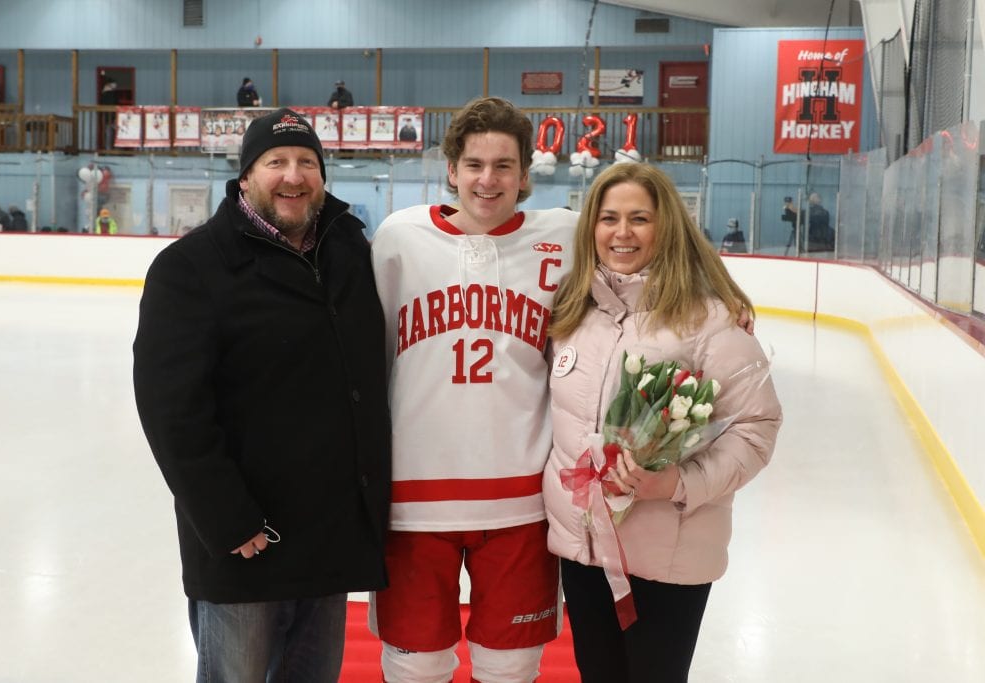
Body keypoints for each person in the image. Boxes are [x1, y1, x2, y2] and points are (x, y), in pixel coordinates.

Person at [132, 107, 391, 683]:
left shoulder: (349, 252)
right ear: (246, 175)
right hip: (249, 539)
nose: (293, 176)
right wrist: (226, 518)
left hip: (328, 533)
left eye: (306, 162)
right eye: (276, 161)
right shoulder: (190, 268)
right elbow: (172, 411)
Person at [543, 162, 782, 682]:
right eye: (608, 218)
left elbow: (756, 428)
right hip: (582, 550)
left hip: (668, 557)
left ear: (666, 226)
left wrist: (676, 483)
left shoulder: (709, 320)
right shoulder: (572, 312)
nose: (622, 232)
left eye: (639, 219)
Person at [369, 96, 578, 682]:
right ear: (452, 170)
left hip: (522, 498)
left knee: (511, 666)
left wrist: (721, 302)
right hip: (412, 497)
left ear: (525, 174)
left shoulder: (565, 236)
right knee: (414, 667)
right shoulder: (399, 237)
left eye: (504, 166)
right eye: (475, 165)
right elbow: (366, 356)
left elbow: (641, 275)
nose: (488, 180)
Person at [99, 78, 119, 149]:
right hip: (111, 117)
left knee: (109, 134)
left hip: (107, 117)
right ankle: (113, 149)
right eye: (114, 83)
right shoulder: (111, 94)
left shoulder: (104, 93)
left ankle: (109, 149)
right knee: (114, 134)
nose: (116, 85)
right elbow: (115, 103)